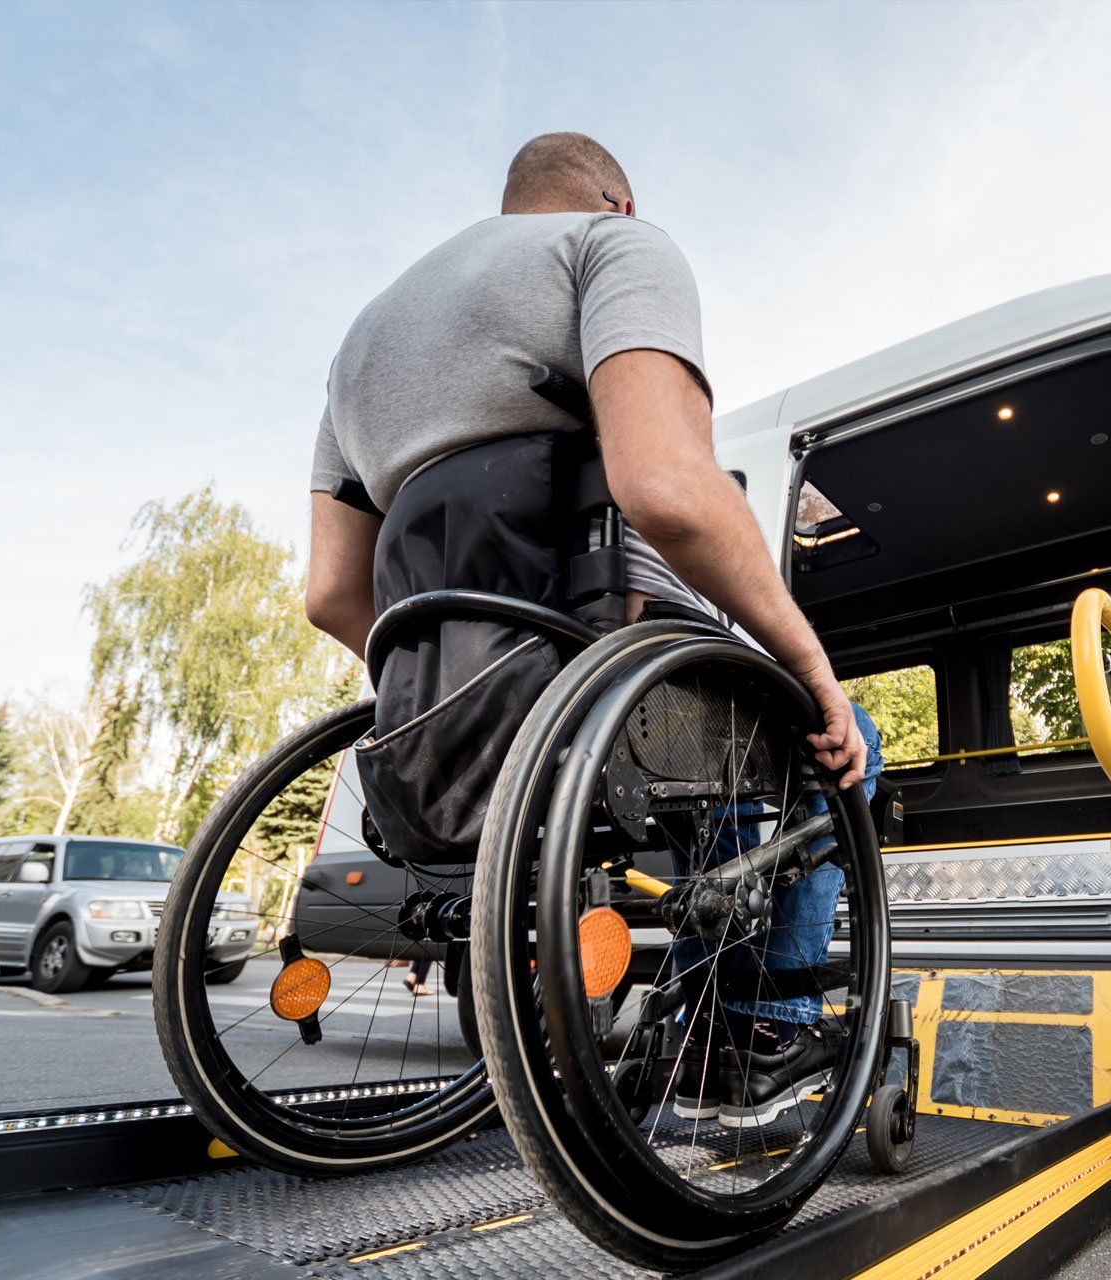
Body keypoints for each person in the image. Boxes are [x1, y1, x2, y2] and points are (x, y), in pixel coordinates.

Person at [304, 132, 873, 1126]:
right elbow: (665, 485)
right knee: (837, 750)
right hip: (602, 656)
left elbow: (333, 593)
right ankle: (749, 1025)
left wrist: (460, 675)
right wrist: (808, 659)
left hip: (453, 697)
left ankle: (714, 1010)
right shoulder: (613, 249)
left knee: (718, 755)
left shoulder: (363, 344)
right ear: (616, 199)